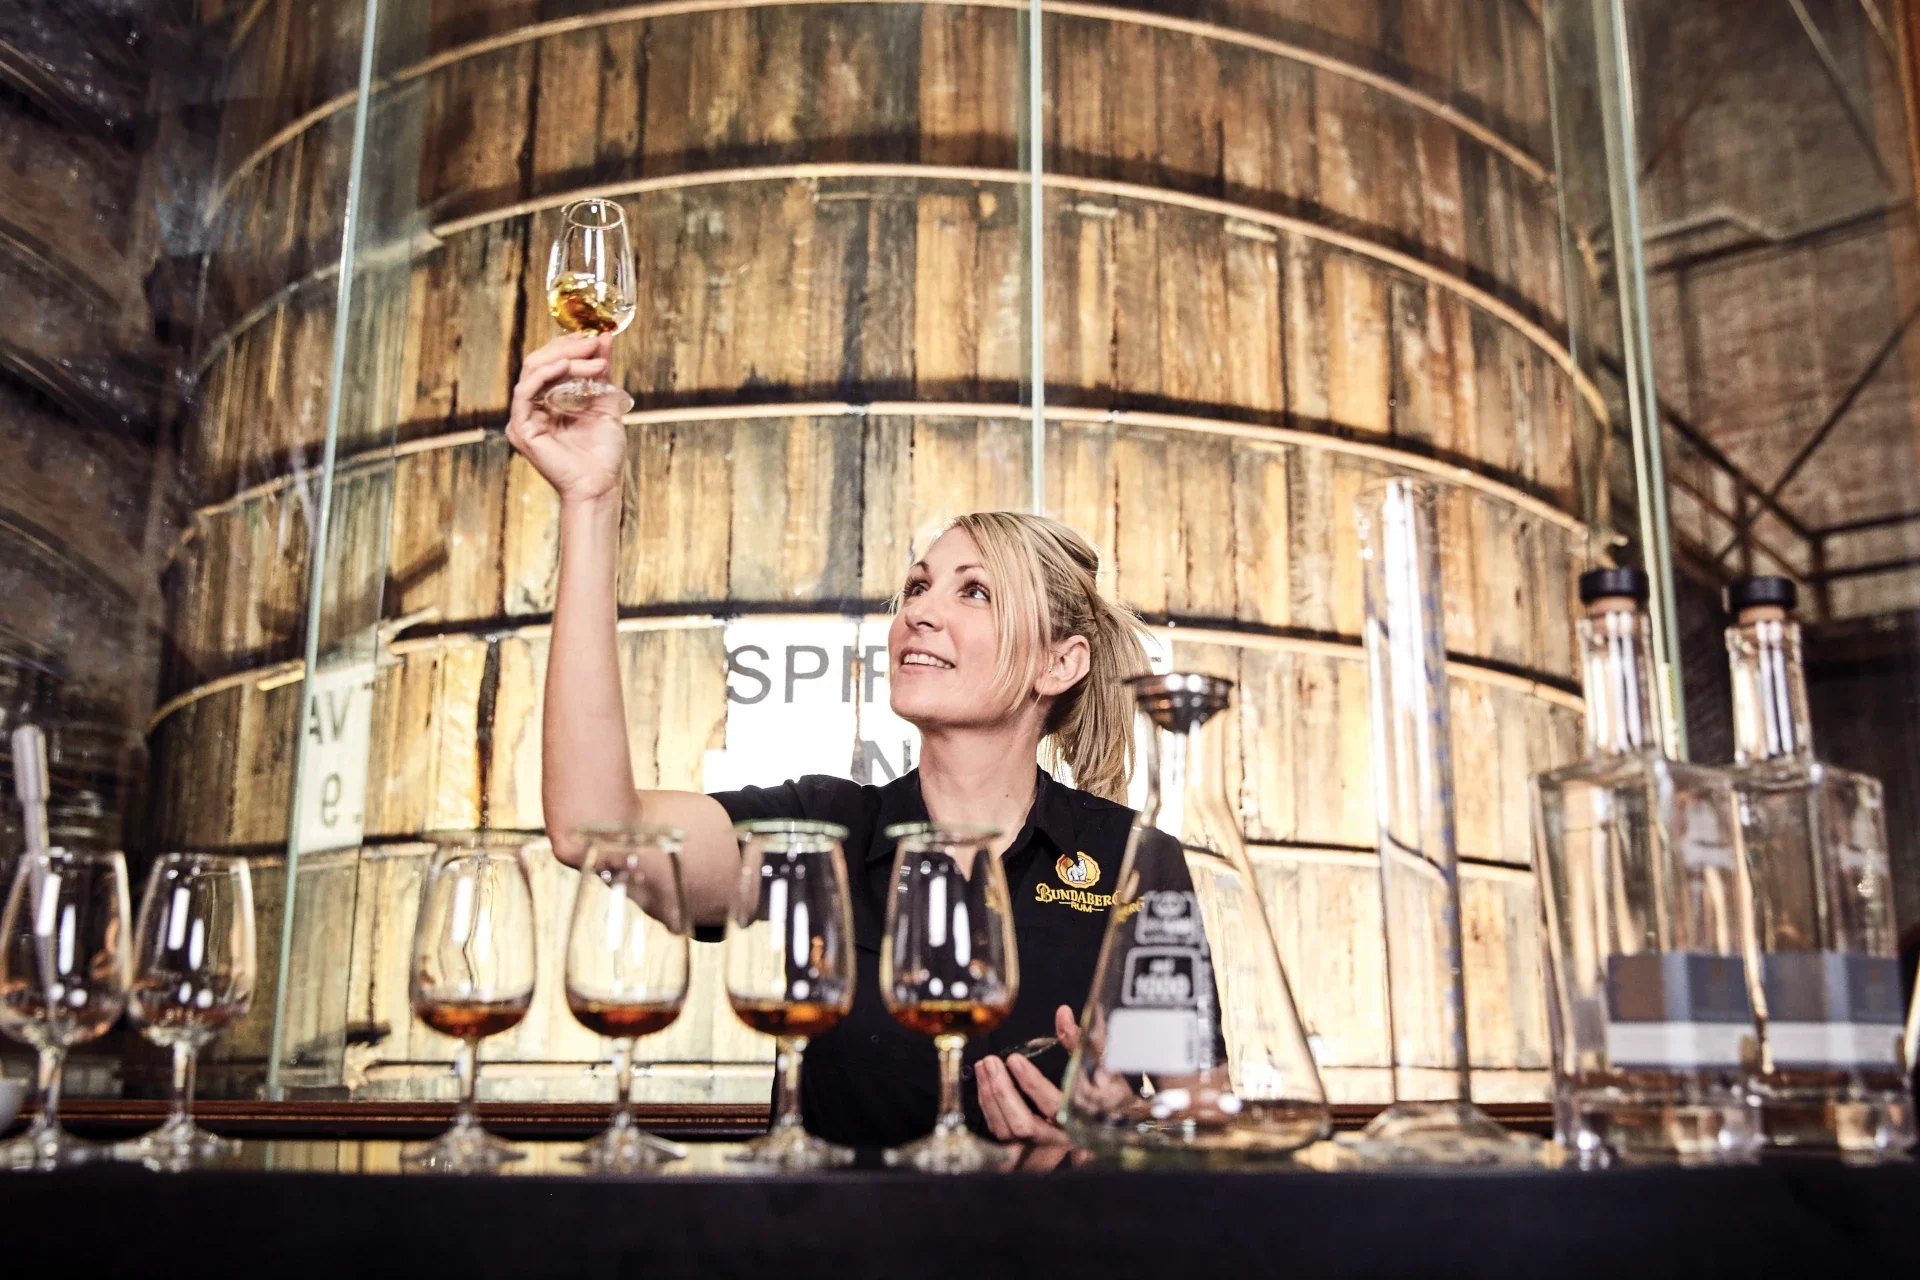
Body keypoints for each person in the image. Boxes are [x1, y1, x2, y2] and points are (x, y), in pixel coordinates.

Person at [507, 331, 1150, 1149]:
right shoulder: (824, 832)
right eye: (917, 586)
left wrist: (1125, 1138)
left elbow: (1200, 1107)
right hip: (839, 1226)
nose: (920, 612)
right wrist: (590, 502)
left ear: (1060, 664)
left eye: (975, 593)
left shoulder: (1135, 861)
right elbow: (593, 828)